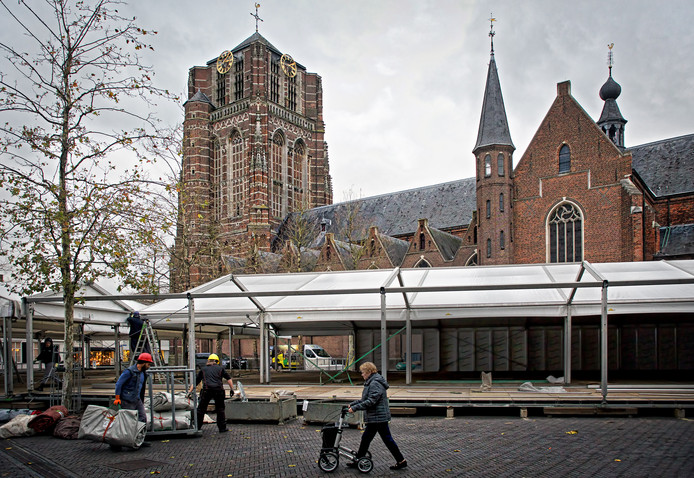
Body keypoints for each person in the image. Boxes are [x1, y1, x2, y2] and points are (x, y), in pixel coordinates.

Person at [347, 361, 407, 470]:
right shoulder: (372, 381)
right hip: (376, 417)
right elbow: (365, 399)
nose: (362, 374)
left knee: (385, 439)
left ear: (369, 372)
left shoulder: (375, 383)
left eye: (363, 372)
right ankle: (359, 459)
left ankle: (401, 460)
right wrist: (353, 404)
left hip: (378, 418)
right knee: (367, 438)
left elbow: (371, 401)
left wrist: (355, 408)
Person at [112, 352, 154, 450]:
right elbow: (119, 384)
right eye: (148, 364)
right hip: (127, 400)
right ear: (143, 363)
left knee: (142, 418)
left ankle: (139, 439)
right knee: (127, 421)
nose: (149, 366)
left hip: (137, 399)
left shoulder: (143, 373)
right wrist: (117, 398)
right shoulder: (129, 371)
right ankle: (119, 443)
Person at [189, 353, 234, 433]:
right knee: (220, 409)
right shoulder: (220, 369)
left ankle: (197, 426)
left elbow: (196, 382)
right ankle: (222, 428)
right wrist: (232, 389)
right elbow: (229, 379)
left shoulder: (203, 369)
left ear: (208, 361)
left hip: (207, 390)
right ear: (217, 361)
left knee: (201, 409)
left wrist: (189, 391)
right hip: (219, 390)